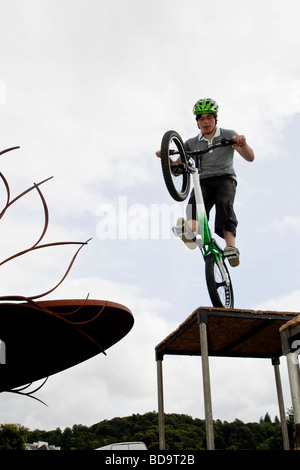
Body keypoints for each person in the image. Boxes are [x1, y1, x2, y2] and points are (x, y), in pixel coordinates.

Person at [157, 98, 255, 267]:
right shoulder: (191, 143)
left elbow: (249, 157)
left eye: (209, 117)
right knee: (195, 204)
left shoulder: (228, 134)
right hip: (202, 180)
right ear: (197, 122)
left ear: (215, 118)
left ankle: (231, 247)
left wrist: (243, 143)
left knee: (223, 203)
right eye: (201, 118)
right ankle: (189, 231)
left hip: (225, 178)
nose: (206, 122)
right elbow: (178, 169)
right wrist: (167, 158)